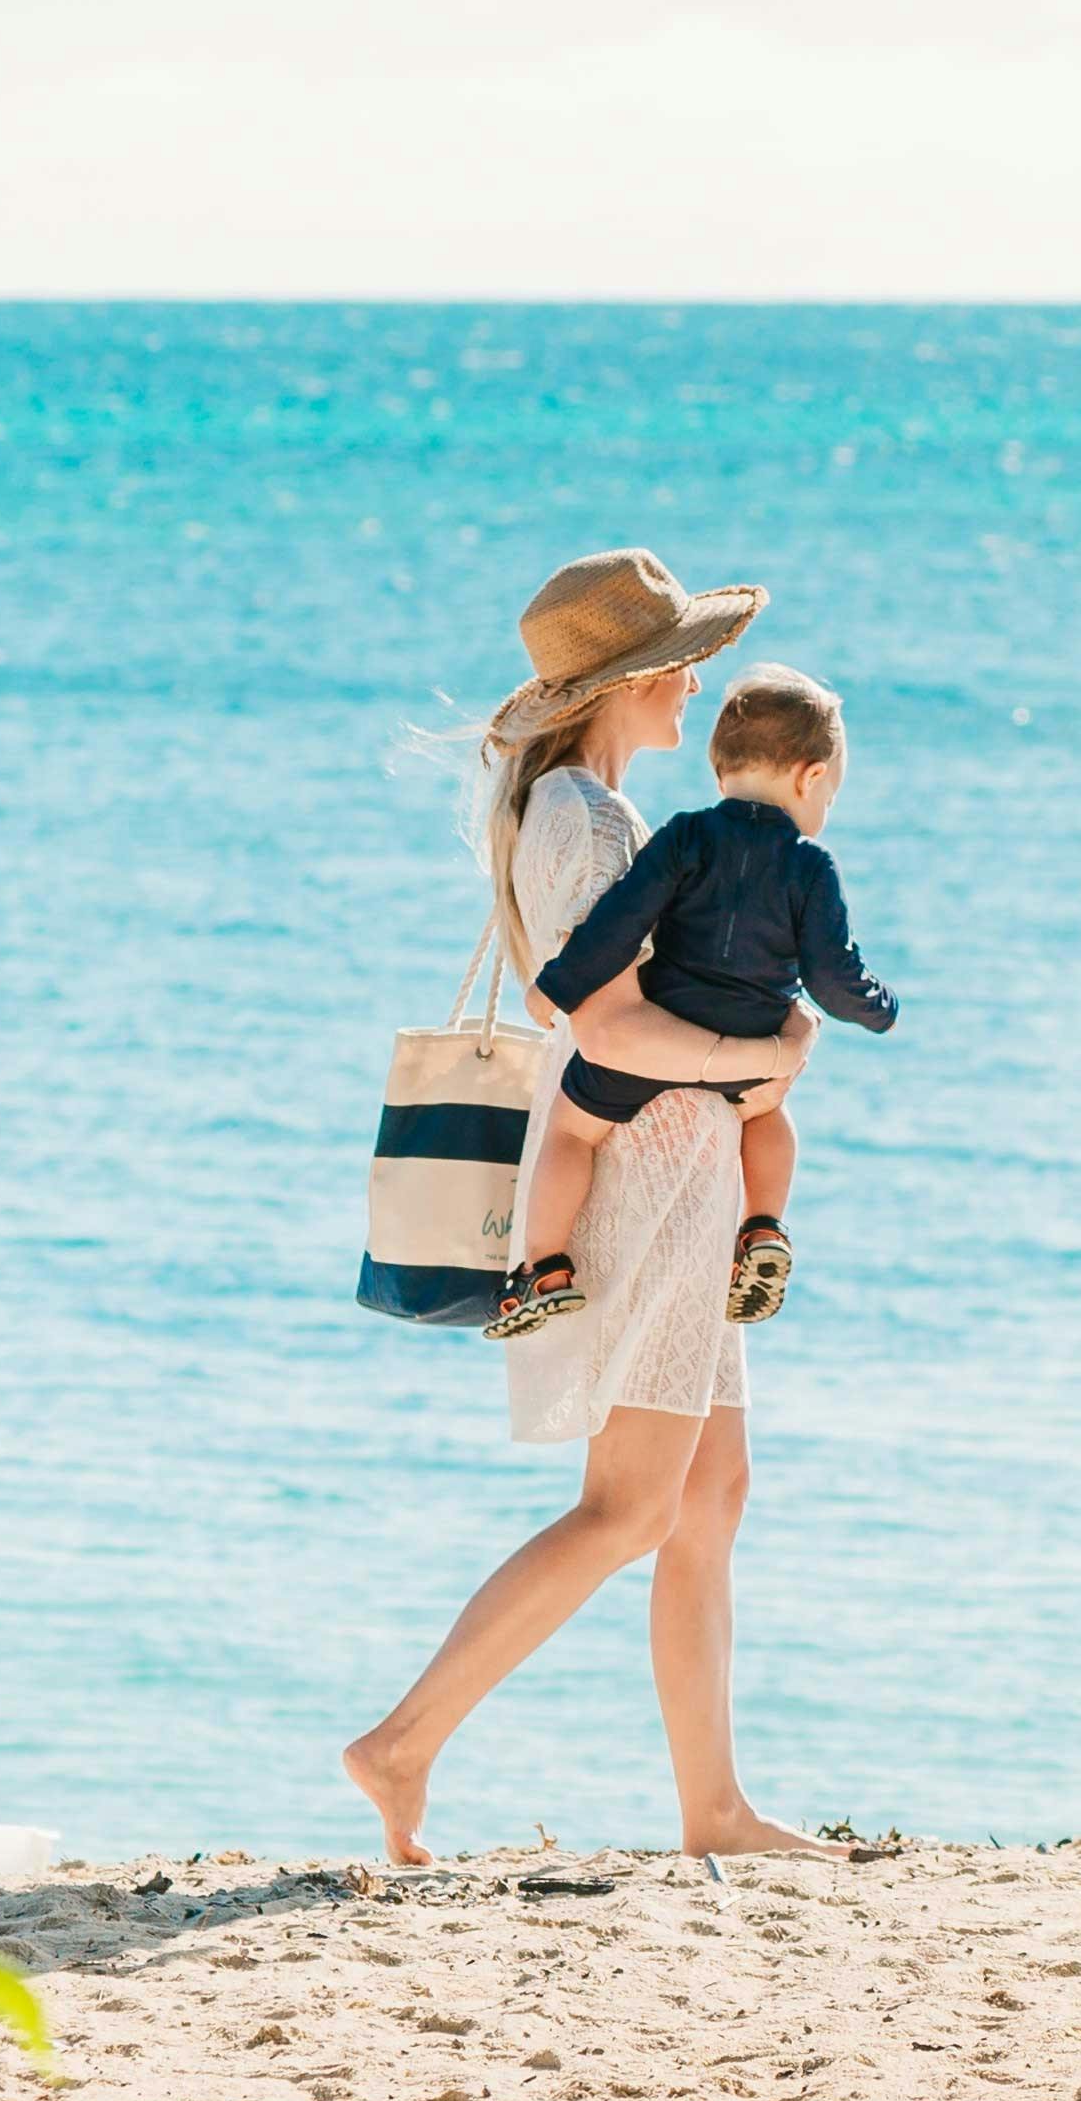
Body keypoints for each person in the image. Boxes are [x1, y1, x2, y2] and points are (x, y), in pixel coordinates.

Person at [344, 547, 844, 1868]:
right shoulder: (585, 819)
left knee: (710, 1493)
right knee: (627, 1506)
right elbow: (610, 1025)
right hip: (648, 1176)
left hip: (678, 1169)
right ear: (628, 680)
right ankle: (402, 1743)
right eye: (680, 664)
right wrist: (767, 1056)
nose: (696, 686)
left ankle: (713, 1808)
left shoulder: (588, 810)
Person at [493, 664, 889, 1340]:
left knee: (571, 1131)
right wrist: (879, 1008)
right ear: (811, 777)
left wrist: (554, 987)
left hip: (660, 1033)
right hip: (750, 1042)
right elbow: (832, 976)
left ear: (718, 769)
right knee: (767, 1112)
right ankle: (763, 1226)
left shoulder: (681, 836)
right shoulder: (812, 866)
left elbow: (615, 929)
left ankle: (544, 1268)